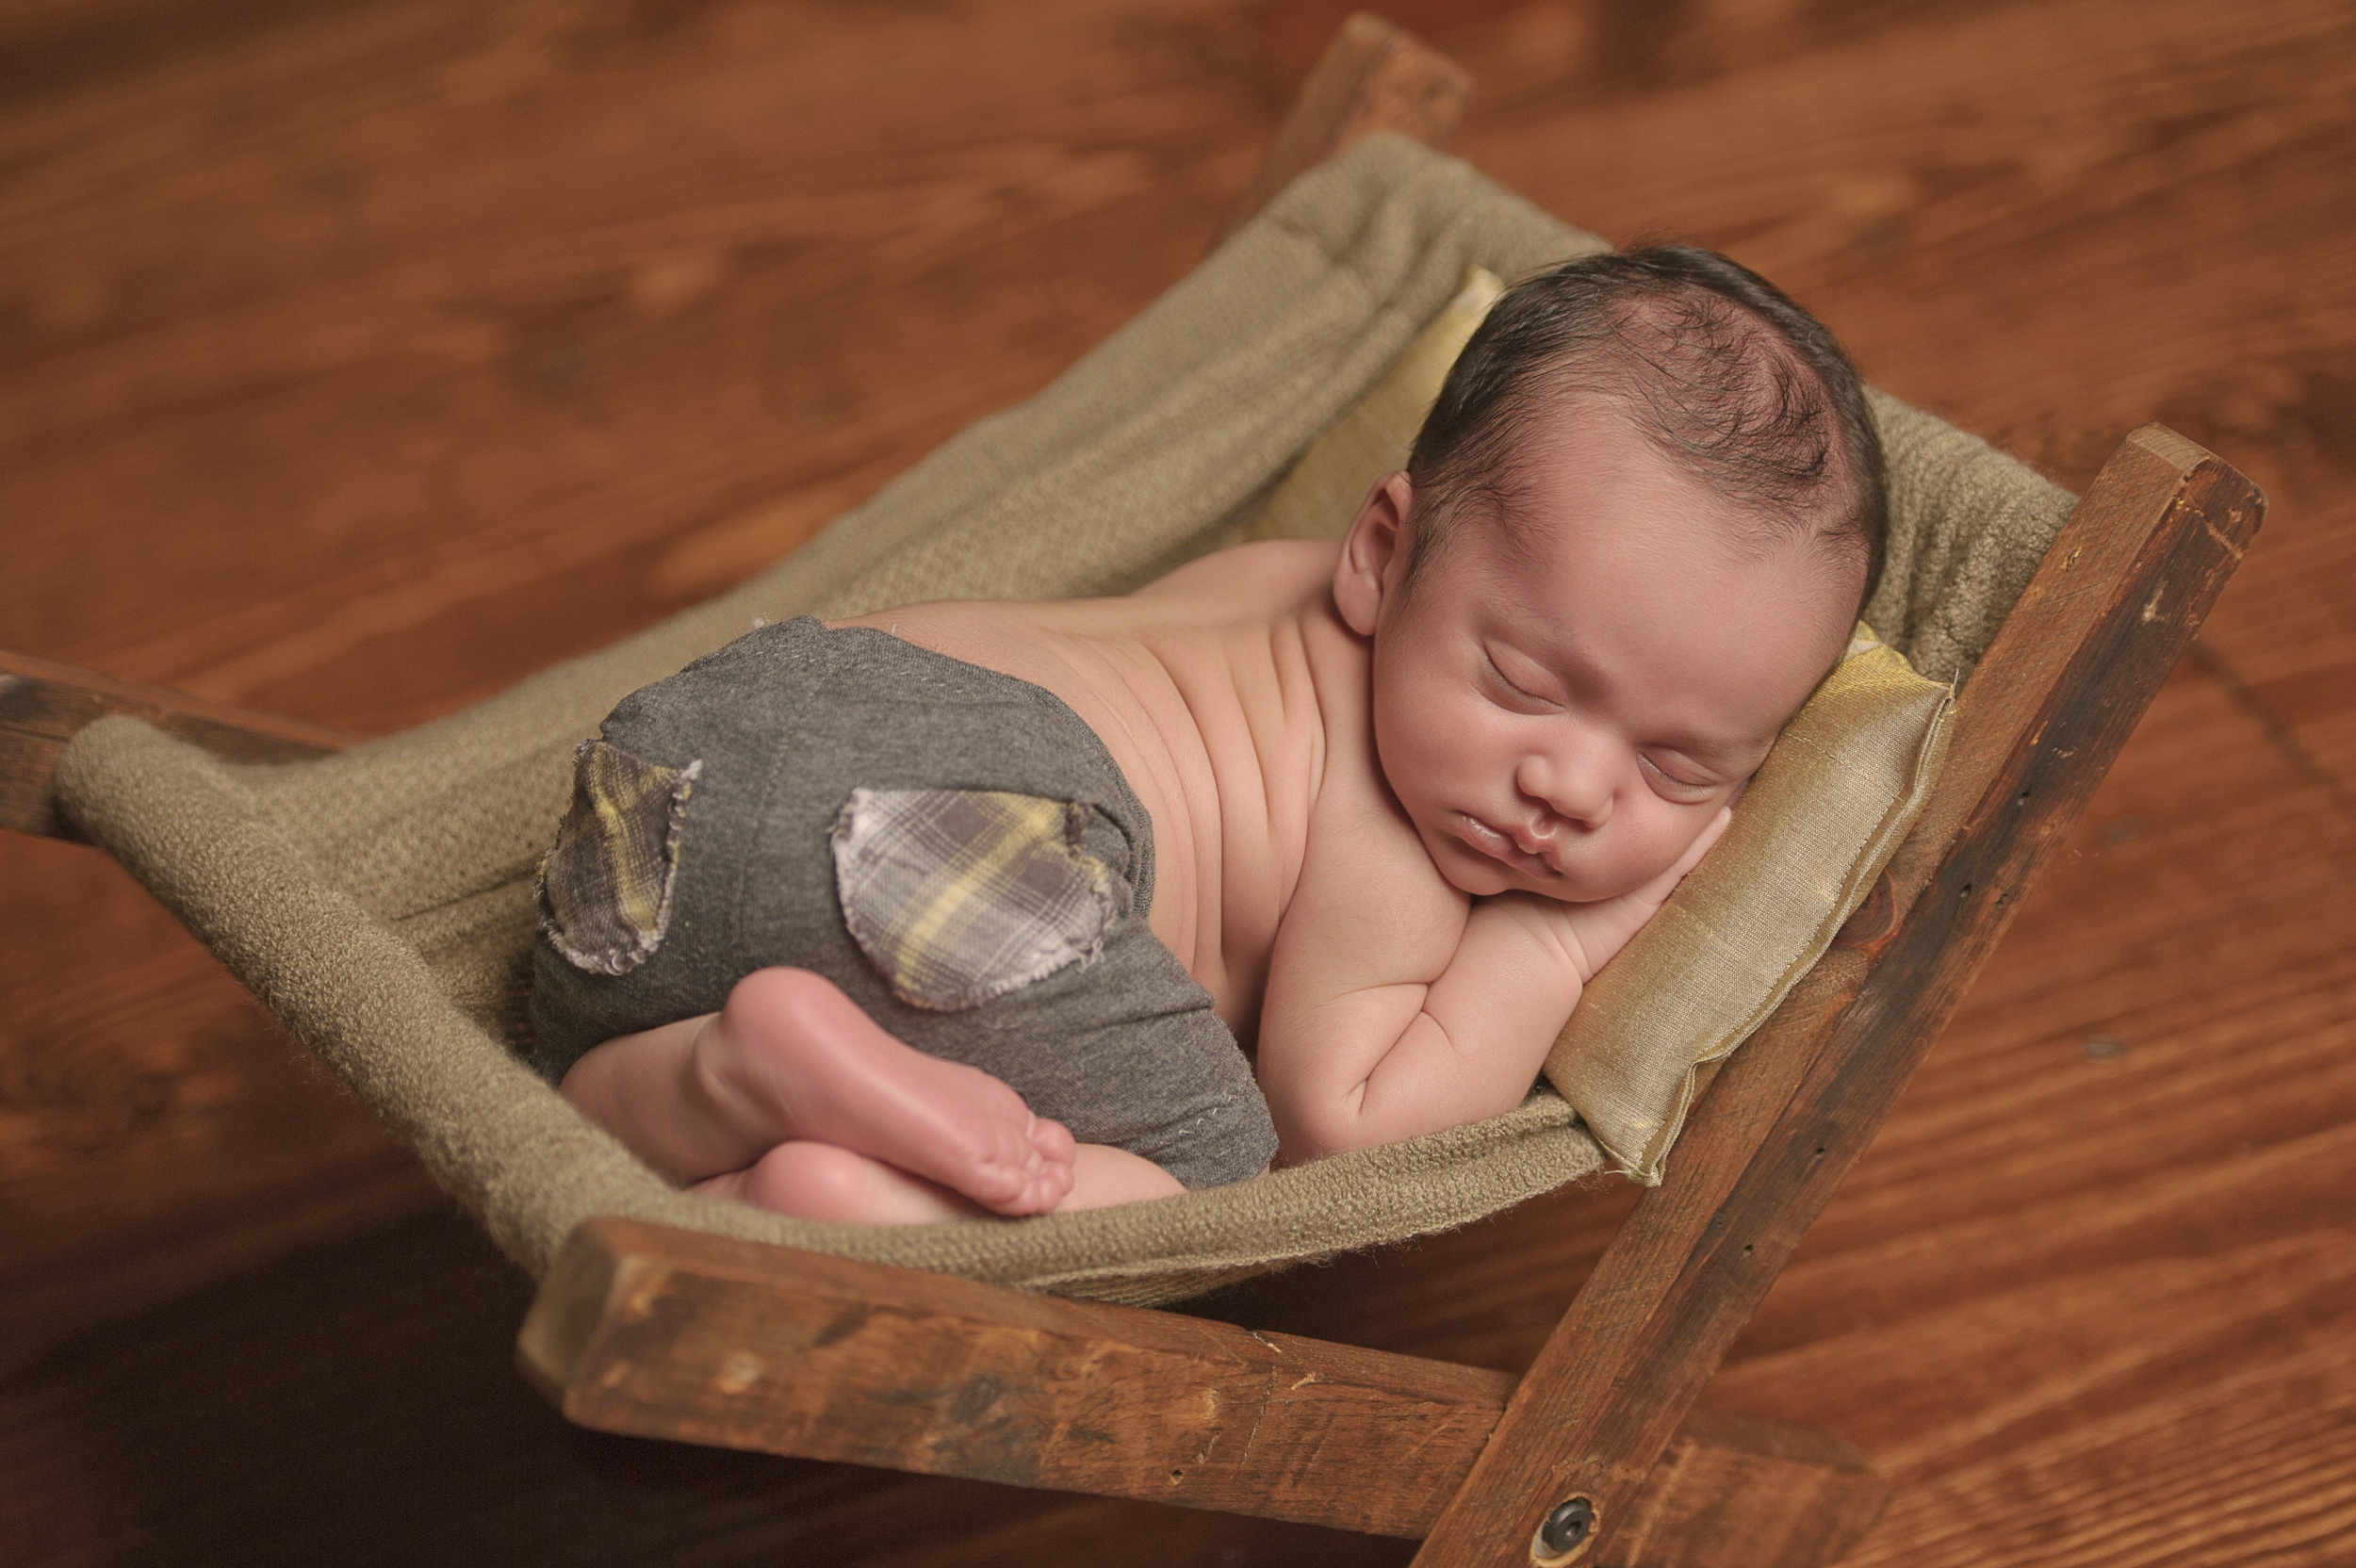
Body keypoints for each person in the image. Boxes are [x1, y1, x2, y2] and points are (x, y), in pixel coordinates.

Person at [531, 245, 1888, 1223]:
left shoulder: (1272, 588)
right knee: (1219, 1168)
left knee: (594, 1051)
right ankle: (859, 1200)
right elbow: (1345, 1128)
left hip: (696, 757)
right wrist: (1553, 942)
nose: (1570, 786)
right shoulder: (1397, 845)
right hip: (972, 845)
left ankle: (703, 1072)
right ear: (1380, 553)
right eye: (1527, 685)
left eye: (1675, 768)